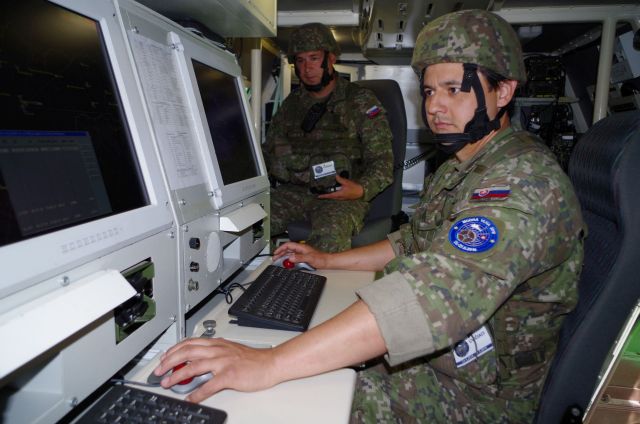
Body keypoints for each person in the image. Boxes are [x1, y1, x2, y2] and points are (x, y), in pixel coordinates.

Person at [153, 10, 585, 423]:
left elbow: (431, 298)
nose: (435, 107)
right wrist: (327, 260)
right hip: (445, 363)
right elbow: (411, 242)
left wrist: (269, 363)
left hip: (478, 396)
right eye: (429, 91)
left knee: (279, 401)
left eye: (454, 89)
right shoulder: (463, 167)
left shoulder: (522, 182)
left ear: (503, 92)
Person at [264, 22, 394, 253]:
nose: (307, 68)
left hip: (340, 197)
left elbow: (382, 160)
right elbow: (270, 151)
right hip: (293, 193)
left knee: (329, 238)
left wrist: (361, 189)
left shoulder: (360, 101)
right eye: (300, 61)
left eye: (314, 58)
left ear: (331, 58)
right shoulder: (291, 106)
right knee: (253, 223)